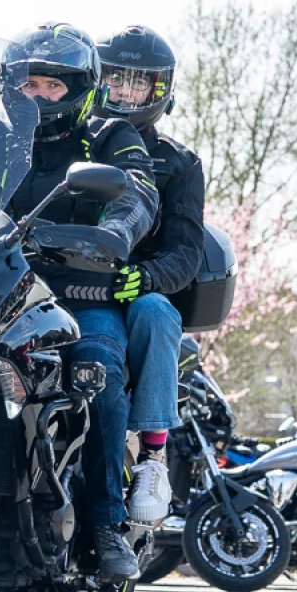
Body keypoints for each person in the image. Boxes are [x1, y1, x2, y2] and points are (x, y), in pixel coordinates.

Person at [7, 23, 159, 581]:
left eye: (52, 85)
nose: (40, 95)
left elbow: (138, 190)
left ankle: (103, 523)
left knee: (98, 374)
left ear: (79, 88)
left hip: (78, 293)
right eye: (30, 84)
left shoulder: (109, 135)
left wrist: (116, 231)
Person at [94, 26, 206, 524]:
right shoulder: (68, 139)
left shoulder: (178, 163)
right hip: (57, 280)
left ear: (159, 91)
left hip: (133, 292)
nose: (124, 94)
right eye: (115, 80)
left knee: (157, 311)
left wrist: (147, 275)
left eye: (138, 85)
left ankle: (153, 458)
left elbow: (187, 253)